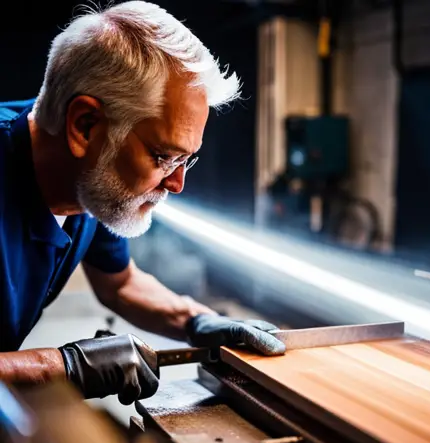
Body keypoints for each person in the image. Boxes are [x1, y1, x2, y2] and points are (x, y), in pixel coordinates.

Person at [0, 1, 285, 405]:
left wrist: (197, 321)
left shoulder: (87, 179)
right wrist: (62, 368)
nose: (177, 183)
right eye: (163, 157)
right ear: (84, 126)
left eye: (187, 159)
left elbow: (121, 283)